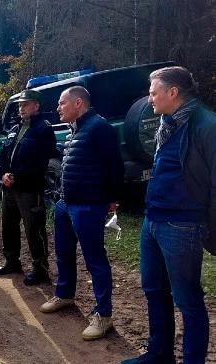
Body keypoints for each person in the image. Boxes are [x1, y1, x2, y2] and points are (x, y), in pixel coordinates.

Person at [122, 67, 216, 364]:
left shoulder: (206, 125)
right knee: (154, 289)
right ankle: (160, 353)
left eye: (153, 92)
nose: (149, 99)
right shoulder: (167, 122)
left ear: (172, 92)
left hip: (183, 224)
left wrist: (209, 227)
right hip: (153, 220)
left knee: (188, 301)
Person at [39, 86, 124, 341]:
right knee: (63, 252)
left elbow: (115, 166)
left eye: (61, 103)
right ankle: (64, 294)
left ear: (78, 103)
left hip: (88, 205)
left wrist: (112, 199)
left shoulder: (99, 127)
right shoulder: (75, 129)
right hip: (65, 204)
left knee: (94, 260)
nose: (57, 108)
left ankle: (103, 315)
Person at [0, 89, 56, 286]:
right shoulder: (14, 128)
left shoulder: (43, 129)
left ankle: (40, 269)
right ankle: (12, 261)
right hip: (9, 187)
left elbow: (40, 163)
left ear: (36, 106)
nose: (21, 108)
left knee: (33, 228)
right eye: (20, 105)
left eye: (25, 104)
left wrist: (17, 177)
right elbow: (4, 156)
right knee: (8, 226)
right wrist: (2, 173)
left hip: (29, 188)